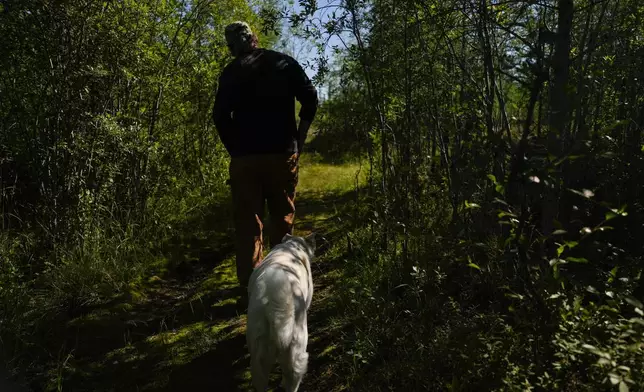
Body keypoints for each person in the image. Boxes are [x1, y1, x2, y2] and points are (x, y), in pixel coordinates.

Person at [213, 21, 318, 297]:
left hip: (246, 159)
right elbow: (310, 98)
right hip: (282, 154)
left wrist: (234, 149)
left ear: (235, 45)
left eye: (230, 45)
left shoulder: (231, 73)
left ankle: (252, 289)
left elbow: (220, 117)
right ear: (254, 39)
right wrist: (301, 138)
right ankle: (283, 282)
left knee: (249, 223)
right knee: (282, 218)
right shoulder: (283, 63)